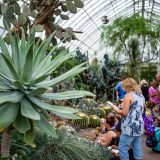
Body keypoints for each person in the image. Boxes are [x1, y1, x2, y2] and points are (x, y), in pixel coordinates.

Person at [110, 77, 145, 160]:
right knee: (137, 147)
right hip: (139, 125)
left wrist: (116, 109)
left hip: (129, 127)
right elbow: (138, 109)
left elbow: (124, 113)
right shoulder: (141, 96)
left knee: (122, 148)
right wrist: (125, 102)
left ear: (126, 86)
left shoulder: (128, 96)